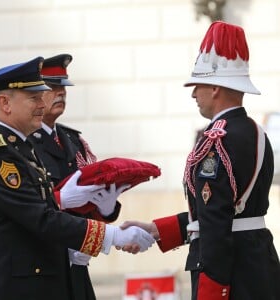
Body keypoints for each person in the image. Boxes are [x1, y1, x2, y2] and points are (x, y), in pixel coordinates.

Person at [120, 21, 280, 300]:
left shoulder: (217, 141)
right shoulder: (255, 131)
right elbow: (224, 212)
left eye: (198, 85)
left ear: (216, 87)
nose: (194, 94)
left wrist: (212, 292)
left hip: (232, 275)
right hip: (258, 264)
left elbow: (216, 223)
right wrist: (158, 230)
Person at [0, 56, 155, 300]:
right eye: (34, 98)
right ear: (4, 103)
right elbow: (40, 218)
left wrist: (75, 246)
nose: (43, 103)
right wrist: (113, 236)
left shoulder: (20, 147)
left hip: (45, 280)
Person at [28, 53, 127, 300]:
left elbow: (89, 198)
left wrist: (105, 209)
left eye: (63, 87)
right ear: (36, 95)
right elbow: (28, 206)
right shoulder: (24, 143)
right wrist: (60, 199)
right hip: (41, 264)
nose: (60, 93)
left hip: (77, 262)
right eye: (52, 87)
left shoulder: (73, 141)